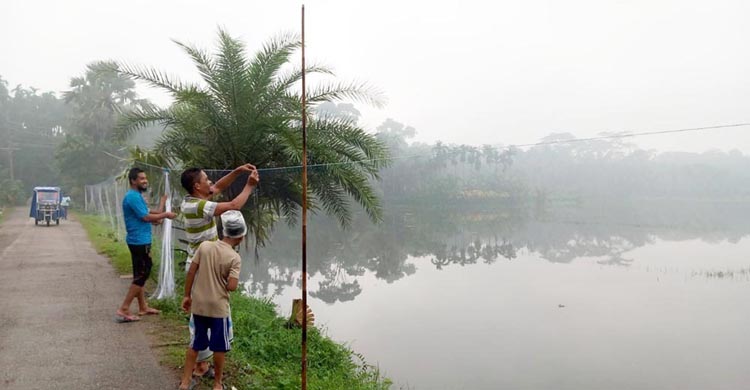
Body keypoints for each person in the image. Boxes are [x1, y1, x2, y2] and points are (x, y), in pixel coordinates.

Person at [180, 164, 259, 377]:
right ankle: (199, 365)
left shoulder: (190, 201)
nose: (210, 182)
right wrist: (249, 186)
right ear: (197, 186)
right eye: (206, 179)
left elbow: (218, 187)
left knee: (205, 313)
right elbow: (234, 205)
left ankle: (201, 362)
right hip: (202, 266)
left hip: (205, 263)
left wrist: (238, 172)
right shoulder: (200, 206)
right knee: (203, 314)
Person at [179, 210, 246, 390]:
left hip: (199, 305)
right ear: (240, 237)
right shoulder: (234, 258)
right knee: (219, 347)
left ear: (224, 231)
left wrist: (187, 295)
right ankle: (217, 384)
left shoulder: (205, 247)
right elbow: (232, 286)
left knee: (195, 344)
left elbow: (192, 271)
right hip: (218, 308)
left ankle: (185, 382)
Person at [115, 167, 176, 323]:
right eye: (141, 178)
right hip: (139, 242)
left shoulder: (136, 196)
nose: (145, 181)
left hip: (137, 240)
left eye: (145, 178)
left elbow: (150, 213)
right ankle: (124, 308)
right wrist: (166, 215)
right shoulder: (133, 197)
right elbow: (146, 217)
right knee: (143, 274)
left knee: (139, 275)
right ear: (133, 181)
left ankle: (143, 306)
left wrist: (162, 205)